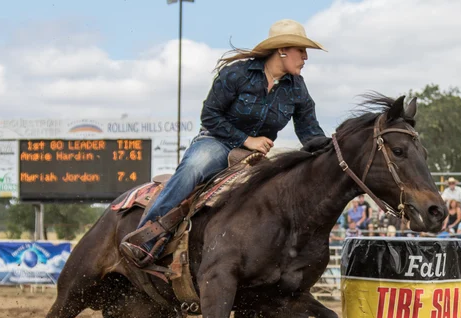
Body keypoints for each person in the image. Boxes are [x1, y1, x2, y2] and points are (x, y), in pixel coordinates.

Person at [120, 19, 327, 266]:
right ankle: (145, 238)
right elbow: (210, 115)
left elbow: (309, 131)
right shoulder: (238, 74)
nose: (305, 57)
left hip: (256, 156)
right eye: (301, 50)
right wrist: (247, 140)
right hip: (217, 141)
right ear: (282, 49)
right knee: (193, 170)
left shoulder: (297, 88)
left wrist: (333, 150)